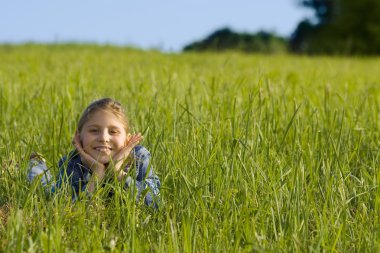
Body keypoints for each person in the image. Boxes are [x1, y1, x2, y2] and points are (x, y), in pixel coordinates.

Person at [27, 98, 160, 207]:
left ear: (127, 140)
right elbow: (68, 209)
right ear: (80, 137)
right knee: (42, 186)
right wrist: (97, 173)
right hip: (55, 186)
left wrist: (118, 173)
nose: (103, 138)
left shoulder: (139, 157)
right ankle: (37, 163)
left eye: (113, 132)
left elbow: (154, 203)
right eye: (94, 130)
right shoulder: (74, 162)